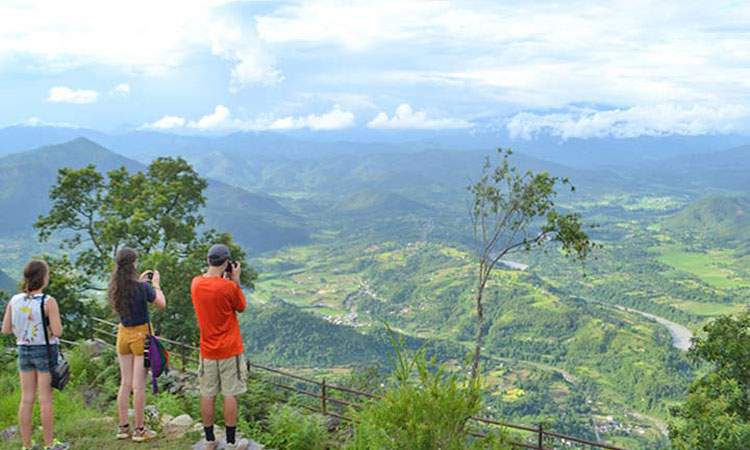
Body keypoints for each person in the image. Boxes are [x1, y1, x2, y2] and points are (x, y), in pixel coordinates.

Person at [1, 260, 70, 450]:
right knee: (45, 400)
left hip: (23, 350)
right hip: (45, 352)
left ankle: (27, 445)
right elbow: (58, 331)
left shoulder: (14, 300)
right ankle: (49, 444)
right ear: (44, 278)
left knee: (26, 398)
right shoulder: (48, 301)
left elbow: (5, 329)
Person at [191, 244, 250, 450]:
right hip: (229, 350)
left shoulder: (196, 283)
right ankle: (232, 443)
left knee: (208, 394)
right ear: (226, 263)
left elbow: (212, 290)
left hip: (207, 350)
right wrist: (236, 280)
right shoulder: (228, 287)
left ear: (208, 261)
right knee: (229, 394)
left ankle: (209, 440)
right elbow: (240, 307)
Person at [108, 247, 166, 442]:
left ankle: (123, 428)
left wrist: (142, 282)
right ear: (133, 263)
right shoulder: (142, 288)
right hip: (140, 336)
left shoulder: (117, 285)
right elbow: (160, 303)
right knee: (138, 386)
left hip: (123, 334)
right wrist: (155, 285)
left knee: (125, 383)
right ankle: (140, 430)